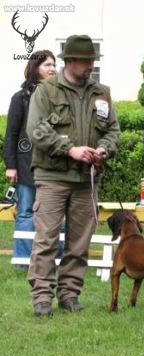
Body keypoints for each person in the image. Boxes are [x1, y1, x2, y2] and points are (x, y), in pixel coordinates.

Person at [26, 35, 120, 317]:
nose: (91, 65)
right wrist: (70, 150)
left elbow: (113, 130)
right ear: (70, 61)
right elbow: (37, 131)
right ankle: (42, 298)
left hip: (86, 181)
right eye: (86, 60)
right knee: (46, 241)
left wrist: (103, 149)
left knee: (79, 244)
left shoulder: (101, 92)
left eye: (93, 60)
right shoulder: (45, 90)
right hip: (52, 178)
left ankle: (69, 294)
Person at [4, 50, 56, 265]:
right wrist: (11, 165)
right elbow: (11, 134)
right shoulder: (20, 98)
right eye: (47, 65)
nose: (52, 68)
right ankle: (23, 260)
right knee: (25, 212)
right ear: (35, 68)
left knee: (54, 214)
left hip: (54, 165)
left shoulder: (58, 95)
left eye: (54, 64)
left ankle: (55, 259)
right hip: (26, 166)